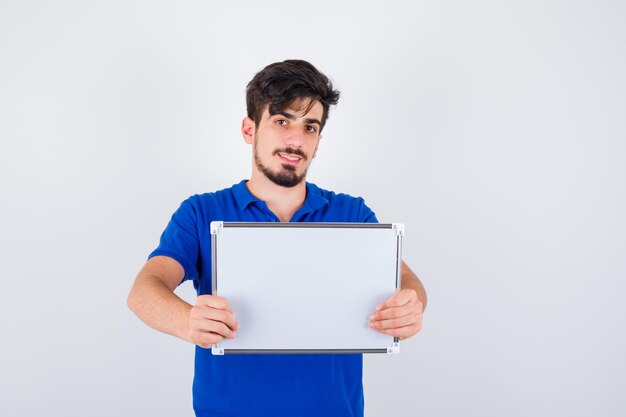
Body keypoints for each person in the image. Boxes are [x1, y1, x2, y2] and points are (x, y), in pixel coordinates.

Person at [127, 59, 427, 417]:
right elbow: (144, 290)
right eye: (282, 120)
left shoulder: (352, 213)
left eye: (310, 127)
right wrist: (186, 320)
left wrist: (412, 305)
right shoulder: (201, 212)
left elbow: (403, 279)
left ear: (318, 142)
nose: (296, 140)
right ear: (249, 129)